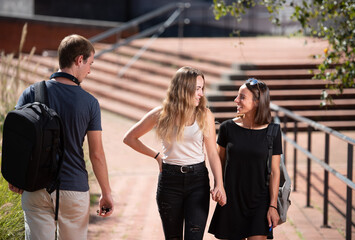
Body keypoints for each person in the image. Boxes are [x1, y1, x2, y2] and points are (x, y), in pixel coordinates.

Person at [8, 34, 114, 240]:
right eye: (90, 63)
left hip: (35, 186)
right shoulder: (90, 103)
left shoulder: (31, 92)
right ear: (79, 60)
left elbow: (15, 140)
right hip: (73, 189)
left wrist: (16, 177)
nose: (90, 70)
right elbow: (97, 154)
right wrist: (106, 192)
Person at [123, 66, 226, 240]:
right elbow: (130, 138)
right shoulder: (162, 114)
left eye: (202, 88)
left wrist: (219, 184)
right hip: (169, 182)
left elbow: (212, 153)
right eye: (197, 89)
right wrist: (157, 156)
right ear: (183, 89)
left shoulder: (205, 114)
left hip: (198, 182)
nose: (201, 94)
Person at [208, 78, 282, 240]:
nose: (236, 100)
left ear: (257, 102)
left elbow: (275, 171)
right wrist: (218, 186)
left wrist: (273, 206)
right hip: (231, 200)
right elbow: (218, 162)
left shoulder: (274, 131)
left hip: (260, 202)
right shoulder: (227, 128)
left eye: (242, 97)